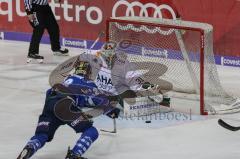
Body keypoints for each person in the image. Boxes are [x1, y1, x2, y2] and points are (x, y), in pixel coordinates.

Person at [17, 61, 120, 159]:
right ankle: (75, 154)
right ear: (88, 72)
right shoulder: (87, 82)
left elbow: (49, 92)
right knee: (91, 131)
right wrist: (111, 111)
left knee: (41, 135)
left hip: (50, 105)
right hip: (66, 106)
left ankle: (30, 147)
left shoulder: (65, 79)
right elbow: (98, 101)